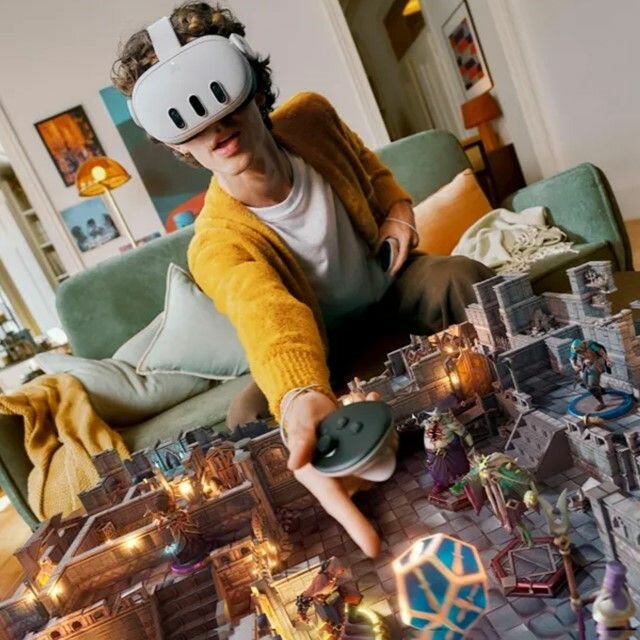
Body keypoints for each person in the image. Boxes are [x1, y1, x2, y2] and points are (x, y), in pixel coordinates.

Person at [112, 2, 493, 558]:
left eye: (220, 96)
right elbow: (267, 314)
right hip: (324, 344)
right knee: (249, 414)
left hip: (391, 287)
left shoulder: (313, 118)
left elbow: (372, 170)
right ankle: (353, 507)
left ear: (251, 81)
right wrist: (297, 395)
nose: (214, 126)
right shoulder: (215, 244)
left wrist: (398, 211)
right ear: (173, 144)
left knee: (459, 276)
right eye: (186, 121)